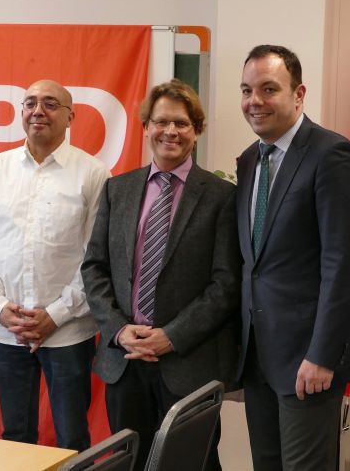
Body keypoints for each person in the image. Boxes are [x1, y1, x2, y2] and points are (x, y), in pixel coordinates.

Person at [82, 79, 241, 471]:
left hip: (188, 363)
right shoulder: (117, 189)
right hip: (125, 360)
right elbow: (95, 268)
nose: (171, 131)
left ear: (196, 130)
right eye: (161, 122)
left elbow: (225, 285)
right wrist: (119, 329)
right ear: (146, 127)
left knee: (195, 464)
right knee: (130, 463)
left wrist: (171, 336)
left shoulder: (221, 196)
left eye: (182, 123)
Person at [235, 44, 350, 471]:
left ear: (298, 94)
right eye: (247, 90)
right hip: (258, 357)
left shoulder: (332, 154)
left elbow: (342, 266)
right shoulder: (249, 161)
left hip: (308, 360)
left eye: (268, 89)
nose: (254, 101)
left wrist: (323, 355)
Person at [0, 79, 110, 451]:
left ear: (70, 116)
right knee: (16, 438)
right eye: (30, 103)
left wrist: (55, 315)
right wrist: (1, 308)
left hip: (68, 331)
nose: (38, 111)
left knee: (72, 438)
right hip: (6, 330)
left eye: (50, 104)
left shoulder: (93, 174)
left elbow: (96, 258)